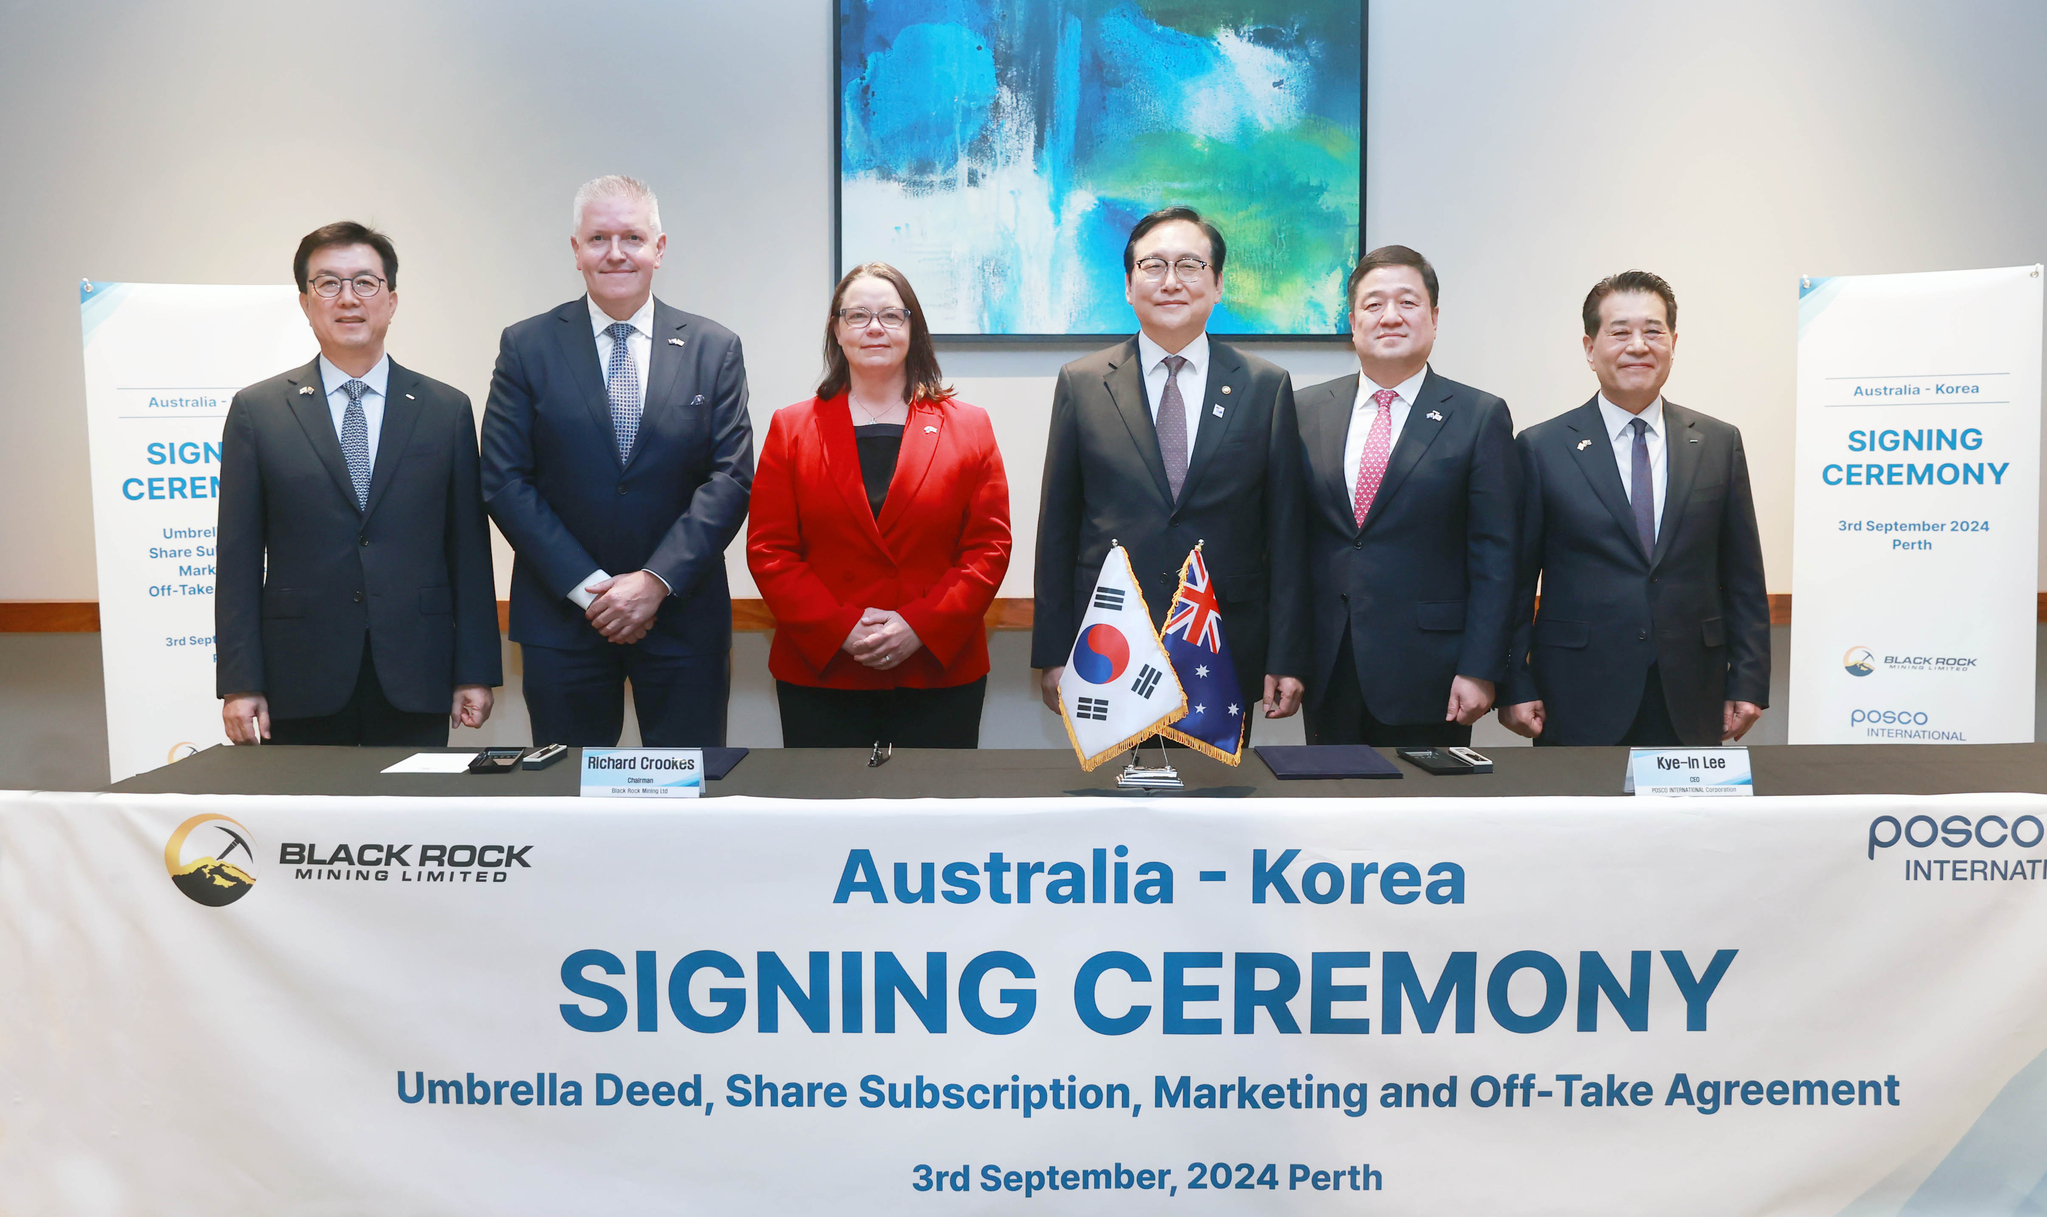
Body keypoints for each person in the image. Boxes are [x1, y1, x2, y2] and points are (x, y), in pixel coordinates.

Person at [482, 175, 753, 747]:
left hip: (683, 619)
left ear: (659, 248)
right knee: (566, 804)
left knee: (689, 802)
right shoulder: (526, 346)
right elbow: (505, 480)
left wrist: (655, 582)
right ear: (576, 251)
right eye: (599, 238)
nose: (615, 253)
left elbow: (729, 478)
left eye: (631, 236)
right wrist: (590, 589)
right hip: (563, 621)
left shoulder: (714, 347)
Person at [216, 222, 500, 745]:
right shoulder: (258, 412)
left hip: (417, 672)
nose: (348, 299)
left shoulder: (445, 410)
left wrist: (475, 668)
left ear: (391, 300)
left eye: (365, 283)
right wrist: (239, 683)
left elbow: (468, 551)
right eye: (328, 284)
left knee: (411, 823)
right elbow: (236, 558)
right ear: (305, 302)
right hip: (299, 675)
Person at [1033, 206, 1307, 723]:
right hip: (1109, 644)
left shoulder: (1265, 386)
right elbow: (1058, 529)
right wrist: (1052, 652)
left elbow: (1287, 533)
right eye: (1153, 266)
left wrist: (1286, 654)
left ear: (1218, 284)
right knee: (1113, 800)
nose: (1171, 281)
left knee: (1219, 801)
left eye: (1190, 265)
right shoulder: (1084, 383)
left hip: (1224, 645)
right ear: (1129, 284)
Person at [1500, 271, 1769, 746]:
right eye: (1620, 332)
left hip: (1692, 688)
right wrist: (1513, 683)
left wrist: (1748, 681)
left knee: (1687, 821)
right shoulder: (1541, 447)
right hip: (1576, 690)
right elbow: (1516, 581)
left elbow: (1743, 575)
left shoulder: (1718, 442)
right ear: (1590, 347)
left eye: (1653, 331)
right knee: (1579, 820)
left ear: (1673, 342)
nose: (1638, 346)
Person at [747, 264, 1011, 747]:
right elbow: (770, 551)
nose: (875, 327)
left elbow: (988, 549)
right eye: (858, 315)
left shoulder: (969, 426)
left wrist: (919, 625)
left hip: (936, 669)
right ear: (837, 329)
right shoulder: (791, 428)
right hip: (824, 671)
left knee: (934, 816)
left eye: (891, 315)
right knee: (828, 819)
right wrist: (841, 628)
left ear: (913, 329)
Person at [1293, 245, 1518, 747]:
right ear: (1352, 322)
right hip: (1329, 663)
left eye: (1407, 303)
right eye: (1373, 305)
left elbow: (1497, 556)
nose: (1390, 316)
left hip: (1433, 670)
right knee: (1330, 814)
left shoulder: (1479, 416)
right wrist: (1285, 655)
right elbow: (1287, 542)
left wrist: (1482, 667)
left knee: (1427, 819)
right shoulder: (1304, 411)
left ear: (1434, 318)